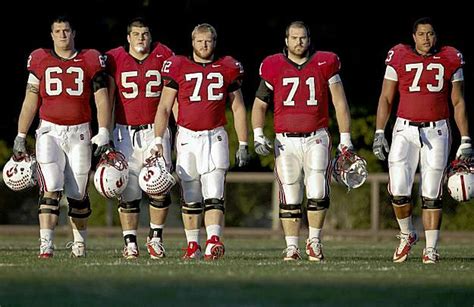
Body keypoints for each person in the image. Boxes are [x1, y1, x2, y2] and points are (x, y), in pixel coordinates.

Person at [252, 21, 355, 261]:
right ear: (286, 41)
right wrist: (258, 133)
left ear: (309, 40)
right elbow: (259, 104)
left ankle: (315, 241)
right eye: (294, 38)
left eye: (303, 38)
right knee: (290, 193)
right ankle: (291, 246)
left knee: (318, 188)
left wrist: (346, 138)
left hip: (316, 136)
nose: (299, 42)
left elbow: (340, 103)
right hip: (285, 140)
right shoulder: (273, 65)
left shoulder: (325, 62)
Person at [373, 17, 472, 264]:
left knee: (431, 192)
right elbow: (386, 97)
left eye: (430, 34)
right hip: (404, 129)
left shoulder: (450, 58)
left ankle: (431, 248)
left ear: (435, 36)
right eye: (421, 34)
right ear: (413, 36)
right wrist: (378, 131)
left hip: (437, 129)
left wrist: (466, 138)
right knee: (398, 190)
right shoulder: (399, 55)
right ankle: (406, 234)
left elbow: (458, 101)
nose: (426, 38)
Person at [13, 16, 112, 258]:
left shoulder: (90, 59)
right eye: (57, 31)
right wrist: (20, 134)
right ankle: (45, 244)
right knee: (51, 186)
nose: (62, 35)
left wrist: (104, 131)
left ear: (73, 33)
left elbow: (101, 99)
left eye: (66, 30)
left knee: (78, 193)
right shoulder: (40, 58)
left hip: (80, 132)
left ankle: (79, 244)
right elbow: (30, 100)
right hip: (49, 131)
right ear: (51, 34)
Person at [153, 23, 250, 260]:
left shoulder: (227, 66)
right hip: (187, 136)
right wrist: (157, 139)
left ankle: (213, 240)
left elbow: (237, 108)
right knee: (191, 193)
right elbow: (164, 107)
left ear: (214, 42)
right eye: (199, 41)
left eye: (208, 41)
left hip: (215, 135)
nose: (204, 45)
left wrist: (244, 142)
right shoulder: (178, 66)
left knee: (214, 191)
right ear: (192, 42)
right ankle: (193, 244)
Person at [104, 17, 175, 259]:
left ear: (151, 36)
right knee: (129, 190)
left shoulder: (164, 55)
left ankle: (156, 238)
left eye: (144, 33)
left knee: (160, 186)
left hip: (156, 130)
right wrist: (106, 132)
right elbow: (109, 99)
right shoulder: (115, 58)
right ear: (128, 37)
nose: (140, 38)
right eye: (136, 34)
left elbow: (172, 95)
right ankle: (130, 242)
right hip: (124, 131)